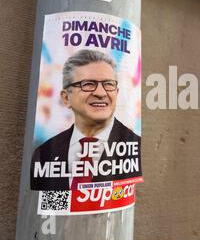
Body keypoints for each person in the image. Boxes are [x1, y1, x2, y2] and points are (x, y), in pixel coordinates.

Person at [30, 50, 141, 191]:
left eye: (108, 84)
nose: (101, 93)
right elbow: (52, 209)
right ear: (66, 98)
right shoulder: (45, 152)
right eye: (88, 84)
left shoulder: (132, 147)